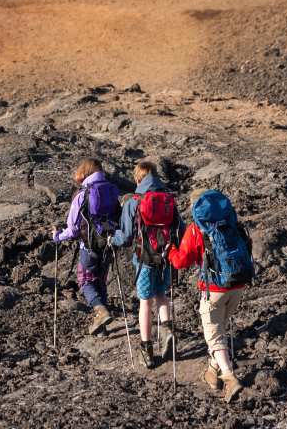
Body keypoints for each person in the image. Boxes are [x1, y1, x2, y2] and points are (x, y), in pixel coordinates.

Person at [169, 186, 253, 403]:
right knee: (219, 331)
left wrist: (169, 250)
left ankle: (228, 376)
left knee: (214, 337)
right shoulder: (231, 222)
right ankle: (211, 373)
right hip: (238, 284)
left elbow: (180, 262)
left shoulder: (196, 229)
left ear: (196, 206)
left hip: (214, 289)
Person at [109, 161, 185, 369]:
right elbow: (181, 229)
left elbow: (125, 237)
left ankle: (147, 350)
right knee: (161, 295)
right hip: (166, 257)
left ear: (137, 179)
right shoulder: (169, 199)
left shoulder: (134, 202)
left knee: (145, 302)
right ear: (156, 177)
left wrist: (111, 240)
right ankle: (167, 330)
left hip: (144, 259)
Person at [53, 158, 121, 336]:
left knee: (85, 282)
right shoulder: (110, 190)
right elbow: (118, 217)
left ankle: (101, 312)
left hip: (89, 246)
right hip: (108, 244)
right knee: (100, 283)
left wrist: (57, 236)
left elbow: (73, 228)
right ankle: (102, 327)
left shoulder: (83, 194)